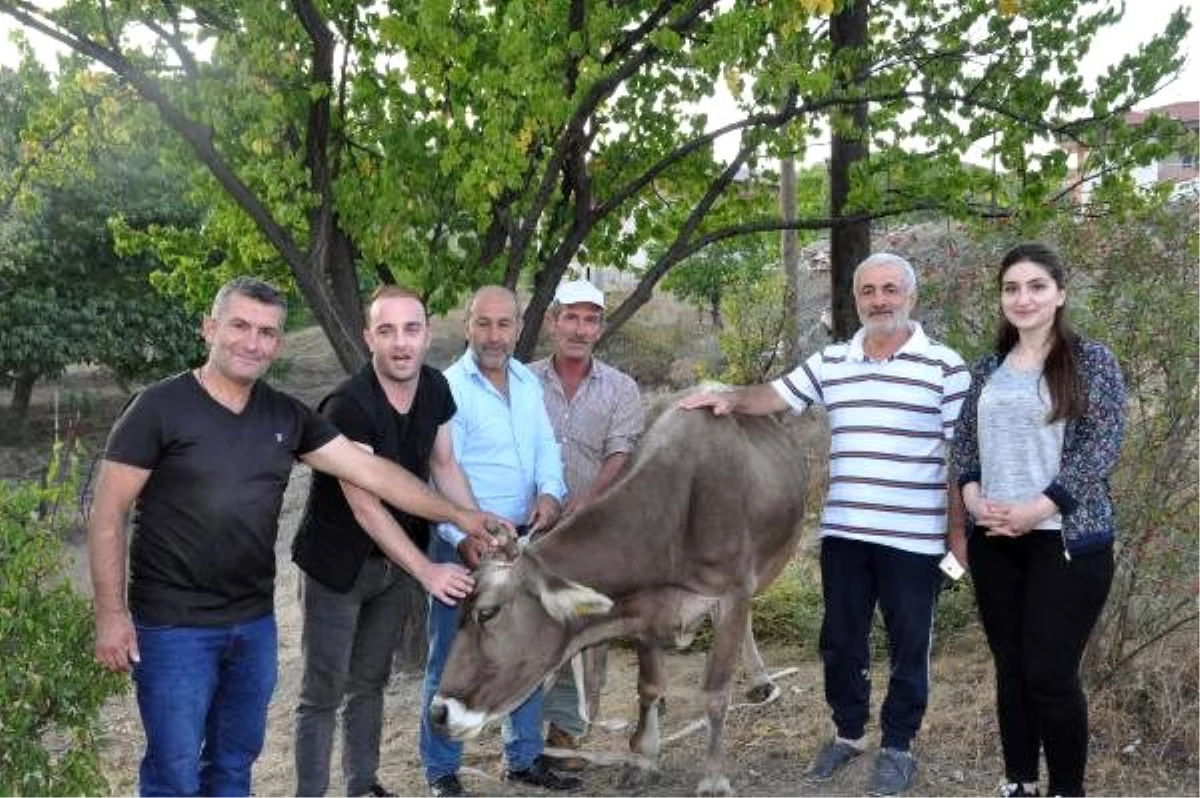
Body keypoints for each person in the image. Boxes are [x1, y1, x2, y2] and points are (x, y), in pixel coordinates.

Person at [88, 277, 506, 796]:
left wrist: (461, 516)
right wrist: (111, 614)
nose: (251, 342)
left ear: (278, 343)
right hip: (174, 627)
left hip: (252, 623)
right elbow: (107, 514)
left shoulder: (285, 415)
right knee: (173, 770)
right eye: (239, 326)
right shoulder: (158, 408)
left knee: (234, 763)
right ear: (209, 328)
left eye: (266, 332)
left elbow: (371, 473)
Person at [680, 253, 970, 797]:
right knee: (840, 640)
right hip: (845, 533)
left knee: (911, 643)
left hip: (914, 538)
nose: (879, 300)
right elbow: (774, 396)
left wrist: (958, 539)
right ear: (856, 298)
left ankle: (898, 746)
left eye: (890, 289)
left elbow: (963, 459)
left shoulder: (946, 367)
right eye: (868, 291)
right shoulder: (833, 360)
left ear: (911, 296)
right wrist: (727, 397)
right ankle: (849, 733)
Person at [291, 286, 481, 797]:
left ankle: (362, 786)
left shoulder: (437, 388)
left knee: (369, 684)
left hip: (394, 568)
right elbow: (365, 505)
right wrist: (429, 570)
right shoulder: (347, 405)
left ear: (427, 333)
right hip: (338, 565)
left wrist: (474, 527)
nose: (401, 343)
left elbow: (444, 464)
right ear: (368, 337)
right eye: (387, 330)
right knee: (322, 692)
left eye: (411, 329)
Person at [951, 243, 1125, 798]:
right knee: (1013, 668)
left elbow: (1101, 446)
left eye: (1036, 286)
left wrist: (1039, 508)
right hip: (996, 540)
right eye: (1011, 288)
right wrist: (974, 499)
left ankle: (1066, 790)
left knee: (1050, 674)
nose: (1022, 298)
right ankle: (1020, 783)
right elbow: (963, 444)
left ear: (1060, 293)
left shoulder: (1091, 360)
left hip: (1066, 542)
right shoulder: (987, 368)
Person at [419, 286, 582, 798]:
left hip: (523, 542)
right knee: (452, 656)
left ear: (518, 326)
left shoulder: (527, 384)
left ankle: (524, 758)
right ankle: (443, 771)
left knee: (526, 652)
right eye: (483, 324)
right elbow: (439, 474)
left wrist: (552, 496)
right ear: (467, 326)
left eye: (503, 324)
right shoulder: (449, 388)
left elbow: (544, 451)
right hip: (465, 546)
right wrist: (461, 536)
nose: (494, 335)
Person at [528, 278, 645, 763]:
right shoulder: (522, 380)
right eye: (571, 318)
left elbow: (621, 451)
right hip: (530, 527)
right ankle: (522, 727)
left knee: (579, 631)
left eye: (590, 319)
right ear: (553, 321)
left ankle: (567, 730)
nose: (579, 329)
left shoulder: (621, 388)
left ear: (600, 328)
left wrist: (583, 503)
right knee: (525, 624)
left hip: (591, 530)